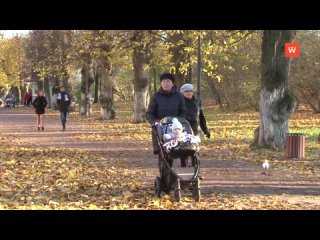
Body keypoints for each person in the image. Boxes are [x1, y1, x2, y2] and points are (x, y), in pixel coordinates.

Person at [146, 73, 187, 155]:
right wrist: (154, 121)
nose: (166, 84)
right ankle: (158, 150)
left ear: (172, 83)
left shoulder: (178, 96)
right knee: (157, 132)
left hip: (175, 124)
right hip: (160, 123)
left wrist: (180, 120)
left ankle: (183, 149)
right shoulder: (156, 96)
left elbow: (183, 111)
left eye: (168, 81)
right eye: (163, 82)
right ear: (161, 84)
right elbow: (150, 113)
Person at [180, 83, 210, 170]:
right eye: (186, 91)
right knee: (184, 151)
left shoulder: (196, 102)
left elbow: (201, 117)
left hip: (195, 130)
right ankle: (184, 170)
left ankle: (196, 171)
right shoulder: (179, 102)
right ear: (182, 93)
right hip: (183, 130)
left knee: (195, 151)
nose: (189, 93)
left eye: (191, 91)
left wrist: (206, 130)